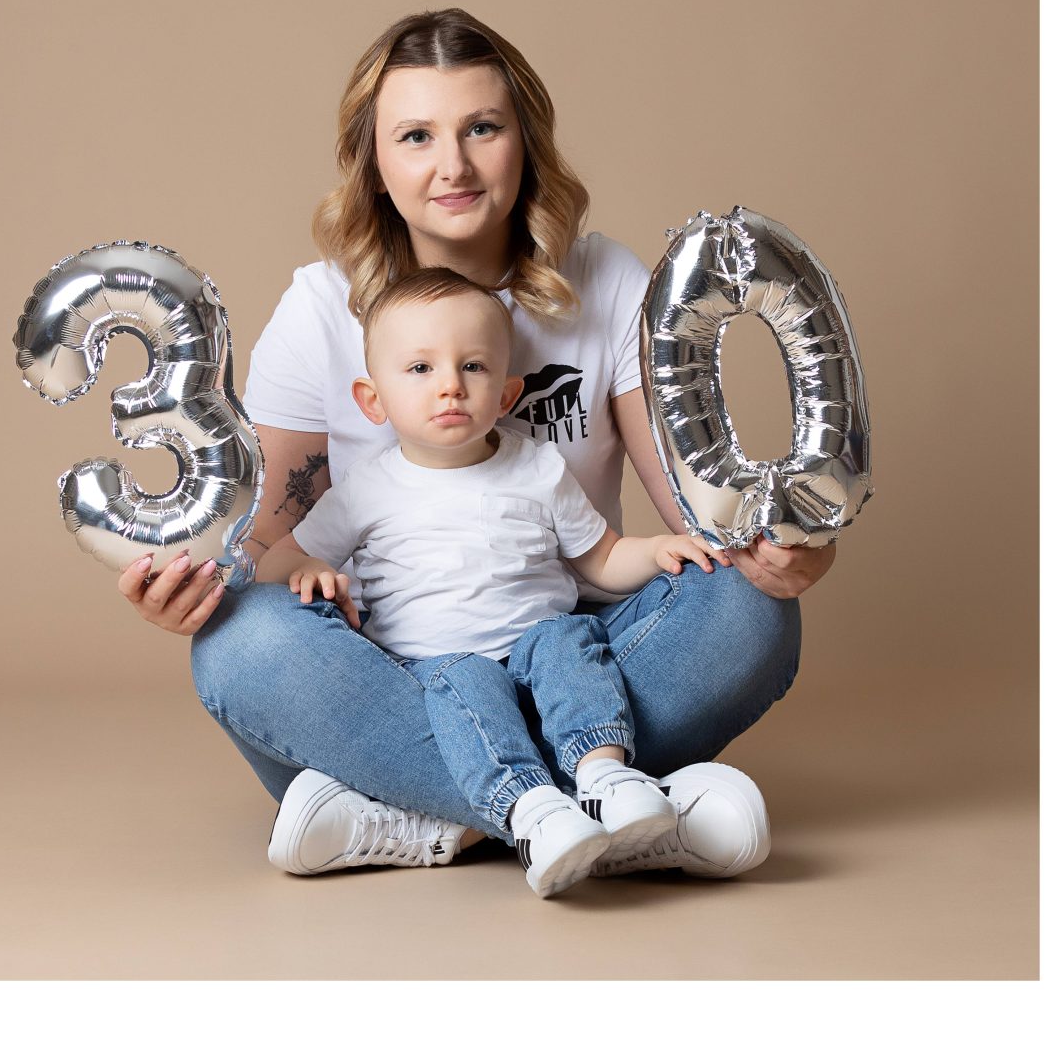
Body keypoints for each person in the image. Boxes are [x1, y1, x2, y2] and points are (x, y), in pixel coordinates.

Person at [118, 8, 832, 880]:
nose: (451, 165)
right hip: (404, 671)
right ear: (374, 163)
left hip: (565, 655)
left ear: (524, 141)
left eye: (481, 128)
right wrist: (190, 588)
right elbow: (258, 546)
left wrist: (781, 552)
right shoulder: (319, 308)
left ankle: (424, 821)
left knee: (748, 610)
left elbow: (696, 516)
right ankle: (616, 814)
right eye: (416, 135)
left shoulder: (603, 281)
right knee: (243, 642)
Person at [254, 268, 726, 896]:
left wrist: (659, 550)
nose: (450, 386)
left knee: (567, 639)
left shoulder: (538, 469)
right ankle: (532, 810)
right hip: (432, 672)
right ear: (373, 400)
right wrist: (309, 567)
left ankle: (607, 780)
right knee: (469, 678)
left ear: (505, 396)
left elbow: (601, 559)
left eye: (472, 367)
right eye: (420, 370)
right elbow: (273, 560)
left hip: (537, 661)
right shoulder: (366, 487)